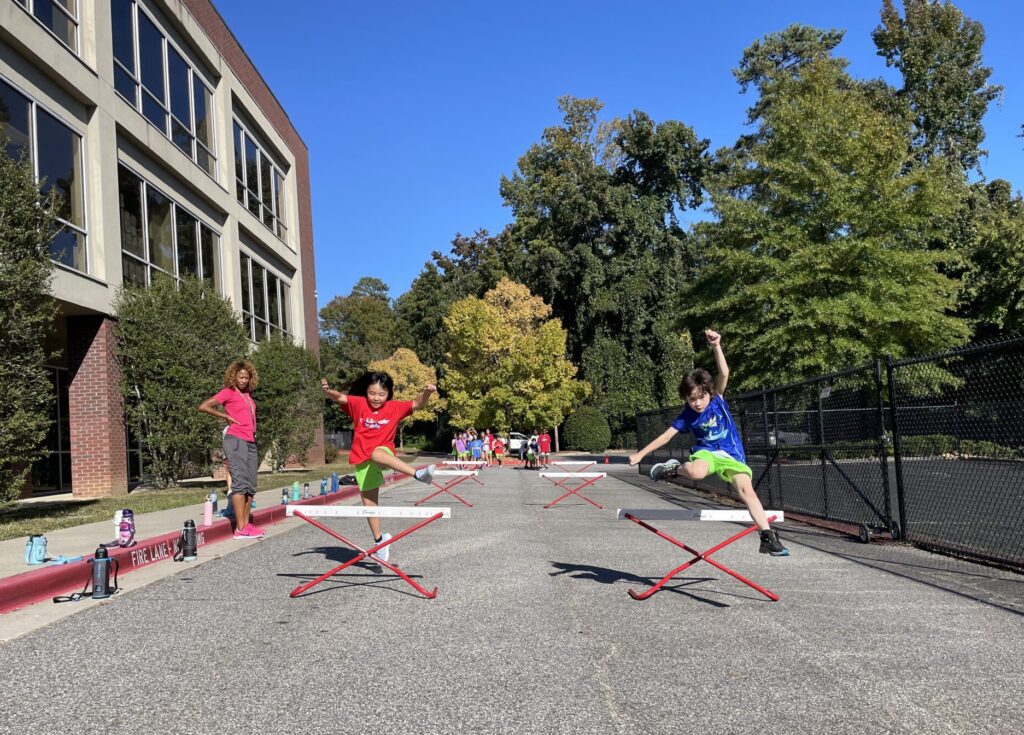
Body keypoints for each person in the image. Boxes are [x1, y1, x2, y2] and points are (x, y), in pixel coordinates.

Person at [629, 329, 790, 556]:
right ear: (685, 398)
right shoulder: (687, 415)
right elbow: (666, 436)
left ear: (709, 393)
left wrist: (716, 346)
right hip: (707, 453)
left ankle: (767, 537)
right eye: (692, 399)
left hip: (732, 455)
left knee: (747, 491)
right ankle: (674, 468)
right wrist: (641, 454)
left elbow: (723, 373)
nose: (697, 403)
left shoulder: (718, 400)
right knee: (696, 473)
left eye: (701, 397)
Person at [321, 372, 437, 563]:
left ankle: (418, 474)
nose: (376, 398)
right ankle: (380, 541)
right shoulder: (359, 404)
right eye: (372, 393)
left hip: (383, 454)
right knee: (369, 507)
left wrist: (427, 392)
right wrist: (328, 392)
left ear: (389, 394)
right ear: (366, 392)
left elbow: (418, 403)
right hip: (362, 459)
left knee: (377, 453)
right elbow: (340, 397)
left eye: (381, 394)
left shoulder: (394, 407)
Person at [199, 360, 264, 539]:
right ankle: (240, 528)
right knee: (239, 485)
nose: (243, 380)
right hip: (235, 440)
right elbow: (204, 406)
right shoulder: (228, 392)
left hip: (250, 441)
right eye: (240, 377)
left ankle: (247, 526)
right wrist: (225, 416)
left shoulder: (248, 394)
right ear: (233, 377)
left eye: (246, 377)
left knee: (250, 487)